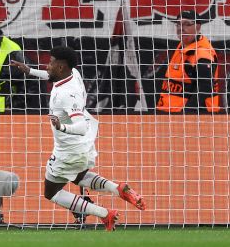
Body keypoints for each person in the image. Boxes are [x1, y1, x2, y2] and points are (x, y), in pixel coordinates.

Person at [11, 46, 146, 231]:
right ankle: (118, 188)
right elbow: (50, 76)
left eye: (51, 62)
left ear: (60, 67)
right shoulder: (73, 72)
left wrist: (61, 126)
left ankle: (105, 214)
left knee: (52, 192)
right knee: (78, 177)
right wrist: (30, 71)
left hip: (69, 150)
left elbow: (81, 126)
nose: (47, 65)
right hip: (84, 147)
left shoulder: (67, 94)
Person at [157, 10, 222, 113]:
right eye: (178, 24)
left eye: (187, 24)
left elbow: (205, 88)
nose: (181, 28)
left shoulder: (202, 53)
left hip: (191, 120)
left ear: (198, 27)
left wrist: (187, 114)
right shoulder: (183, 46)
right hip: (171, 115)